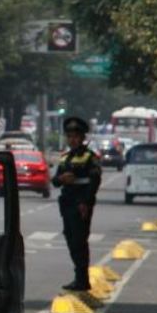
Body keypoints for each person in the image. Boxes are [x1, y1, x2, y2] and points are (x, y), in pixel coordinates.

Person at [51, 117, 101, 291]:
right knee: (70, 239)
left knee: (80, 241)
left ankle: (82, 279)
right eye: (69, 136)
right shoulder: (65, 158)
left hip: (81, 204)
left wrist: (85, 202)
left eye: (76, 136)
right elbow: (55, 181)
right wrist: (61, 178)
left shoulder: (90, 158)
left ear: (82, 138)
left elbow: (94, 182)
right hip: (66, 203)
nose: (72, 139)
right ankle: (78, 277)